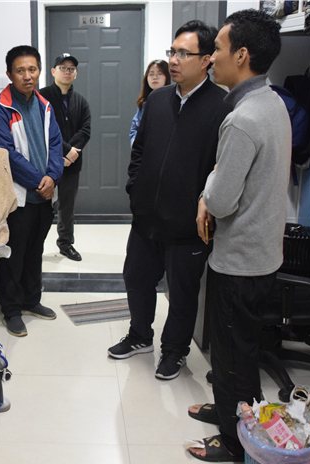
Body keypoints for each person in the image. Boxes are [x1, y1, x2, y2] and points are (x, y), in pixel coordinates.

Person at [188, 10, 289, 463]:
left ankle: (234, 440)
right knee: (238, 348)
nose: (212, 59)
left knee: (234, 356)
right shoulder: (272, 101)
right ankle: (227, 408)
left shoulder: (243, 118)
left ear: (242, 55)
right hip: (262, 253)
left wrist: (207, 190)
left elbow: (222, 199)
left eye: (219, 50)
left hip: (240, 261)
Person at [107, 21, 232, 380]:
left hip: (187, 224)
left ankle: (175, 351)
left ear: (206, 60)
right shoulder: (158, 99)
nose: (174, 60)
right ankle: (139, 336)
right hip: (146, 216)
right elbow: (140, 149)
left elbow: (221, 167)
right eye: (172, 52)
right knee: (136, 279)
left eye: (183, 54)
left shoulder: (222, 106)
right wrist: (135, 188)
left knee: (182, 293)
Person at [0, 45, 64, 337]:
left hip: (45, 196)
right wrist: (40, 182)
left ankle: (32, 301)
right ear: (9, 74)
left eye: (32, 69)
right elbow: (6, 154)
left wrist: (53, 176)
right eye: (20, 71)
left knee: (35, 250)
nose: (27, 76)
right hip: (19, 198)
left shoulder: (44, 105)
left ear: (40, 71)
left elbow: (56, 144)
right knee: (14, 255)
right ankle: (12, 310)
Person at [39, 53, 91, 262]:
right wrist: (64, 151)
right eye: (63, 68)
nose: (67, 72)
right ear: (53, 71)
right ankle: (35, 245)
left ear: (75, 73)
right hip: (46, 162)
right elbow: (42, 129)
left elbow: (85, 131)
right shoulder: (41, 98)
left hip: (72, 163)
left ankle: (66, 244)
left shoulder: (81, 101)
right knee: (42, 205)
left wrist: (71, 154)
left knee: (67, 206)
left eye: (71, 69)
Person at [129, 60, 170, 146]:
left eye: (159, 74)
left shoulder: (173, 101)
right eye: (151, 74)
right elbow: (135, 128)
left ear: (167, 76)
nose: (155, 77)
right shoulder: (144, 102)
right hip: (144, 150)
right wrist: (136, 146)